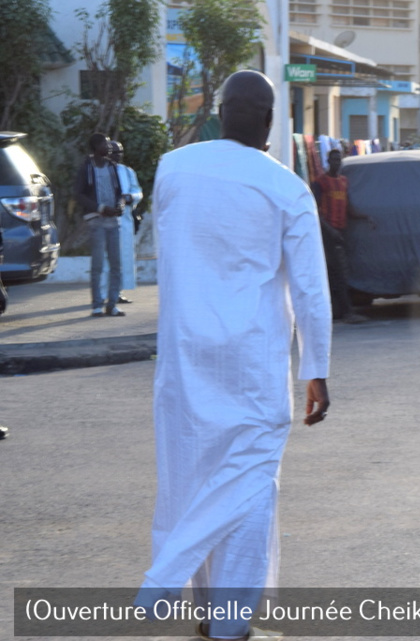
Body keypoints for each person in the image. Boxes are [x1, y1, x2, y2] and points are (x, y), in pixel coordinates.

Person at [133, 70, 332, 641]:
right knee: (249, 486)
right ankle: (224, 621)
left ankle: (201, 607)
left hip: (184, 358)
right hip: (252, 362)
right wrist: (315, 370)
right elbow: (312, 292)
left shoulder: (174, 167)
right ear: (270, 121)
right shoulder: (285, 187)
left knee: (194, 479)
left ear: (220, 112)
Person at [311, 147, 374, 323]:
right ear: (328, 161)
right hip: (327, 234)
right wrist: (330, 231)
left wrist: (365, 217)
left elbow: (348, 209)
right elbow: (314, 211)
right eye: (334, 160)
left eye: (339, 160)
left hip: (340, 232)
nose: (337, 163)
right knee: (339, 273)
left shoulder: (344, 182)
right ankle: (346, 312)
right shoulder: (320, 182)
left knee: (336, 273)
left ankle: (337, 310)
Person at [74, 132, 125, 317]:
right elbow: (79, 194)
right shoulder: (86, 168)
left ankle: (112, 305)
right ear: (96, 147)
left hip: (114, 223)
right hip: (97, 222)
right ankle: (97, 305)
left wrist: (120, 205)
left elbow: (120, 192)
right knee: (97, 266)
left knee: (116, 265)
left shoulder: (112, 167)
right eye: (105, 144)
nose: (109, 147)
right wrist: (100, 208)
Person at [107, 141, 143, 303]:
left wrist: (131, 197)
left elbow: (137, 191)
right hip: (107, 220)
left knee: (124, 257)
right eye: (114, 152)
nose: (118, 155)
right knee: (108, 259)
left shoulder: (127, 172)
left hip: (125, 220)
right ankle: (104, 293)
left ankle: (118, 292)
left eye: (120, 152)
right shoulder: (101, 170)